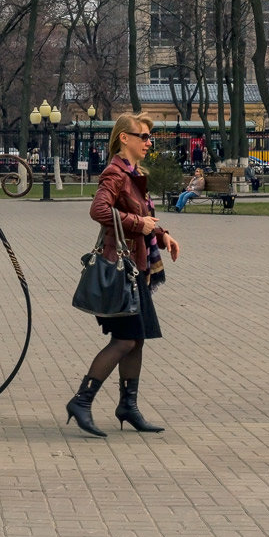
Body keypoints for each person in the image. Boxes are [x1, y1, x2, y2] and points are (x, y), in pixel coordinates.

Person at [65, 113, 181, 437]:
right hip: (120, 270)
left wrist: (162, 235)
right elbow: (99, 211)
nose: (148, 142)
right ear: (123, 139)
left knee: (137, 339)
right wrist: (134, 223)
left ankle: (127, 406)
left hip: (137, 268)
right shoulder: (115, 173)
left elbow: (147, 217)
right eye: (142, 136)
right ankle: (82, 400)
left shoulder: (135, 174)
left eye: (150, 138)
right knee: (126, 339)